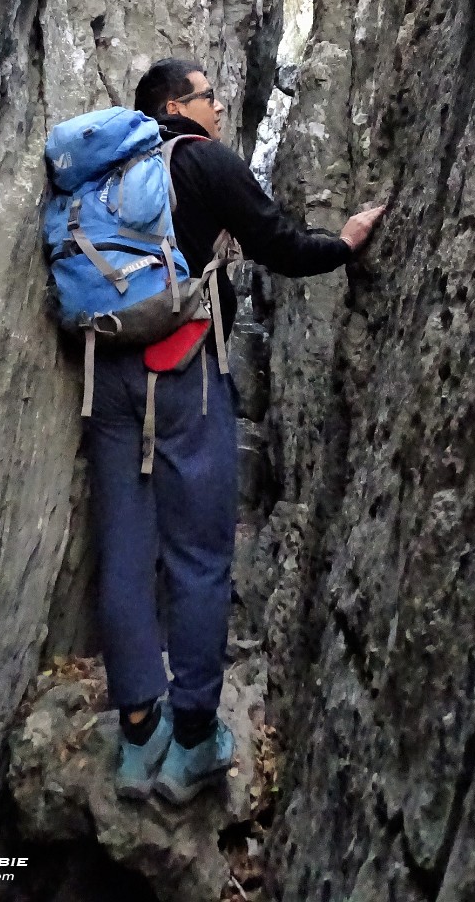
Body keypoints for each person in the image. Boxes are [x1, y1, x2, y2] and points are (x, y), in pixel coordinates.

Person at [85, 58, 385, 804]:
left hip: (108, 373)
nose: (219, 108)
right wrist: (344, 244)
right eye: (209, 97)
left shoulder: (99, 175)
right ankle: (191, 741)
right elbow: (277, 245)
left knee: (124, 553)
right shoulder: (203, 160)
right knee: (198, 553)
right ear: (176, 106)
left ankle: (135, 736)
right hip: (183, 368)